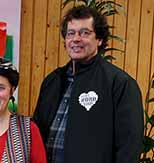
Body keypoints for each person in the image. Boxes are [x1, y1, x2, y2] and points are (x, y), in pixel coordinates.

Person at [32, 6, 143, 163]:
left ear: (99, 39)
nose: (76, 38)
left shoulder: (120, 83)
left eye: (85, 33)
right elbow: (36, 132)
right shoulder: (52, 81)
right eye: (71, 33)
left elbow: (129, 148)